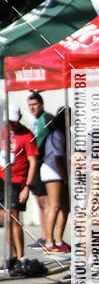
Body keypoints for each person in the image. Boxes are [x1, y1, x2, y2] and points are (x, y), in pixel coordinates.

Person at [0, 103, 38, 274]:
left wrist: (27, 187)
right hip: (2, 178)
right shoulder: (4, 132)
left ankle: (21, 256)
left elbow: (33, 162)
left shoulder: (26, 135)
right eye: (9, 122)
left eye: (14, 122)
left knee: (13, 218)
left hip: (18, 181)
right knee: (6, 220)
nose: (11, 125)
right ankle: (13, 255)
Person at [41, 107, 70, 253]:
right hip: (53, 172)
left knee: (65, 207)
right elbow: (58, 159)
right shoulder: (57, 134)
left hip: (58, 172)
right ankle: (49, 241)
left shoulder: (65, 133)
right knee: (54, 206)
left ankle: (58, 240)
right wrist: (65, 178)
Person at [26, 90, 53, 249]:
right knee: (40, 203)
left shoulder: (47, 118)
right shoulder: (34, 121)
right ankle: (44, 236)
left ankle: (49, 236)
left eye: (35, 104)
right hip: (34, 165)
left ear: (41, 104)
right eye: (29, 105)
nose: (32, 108)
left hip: (44, 164)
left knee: (47, 202)